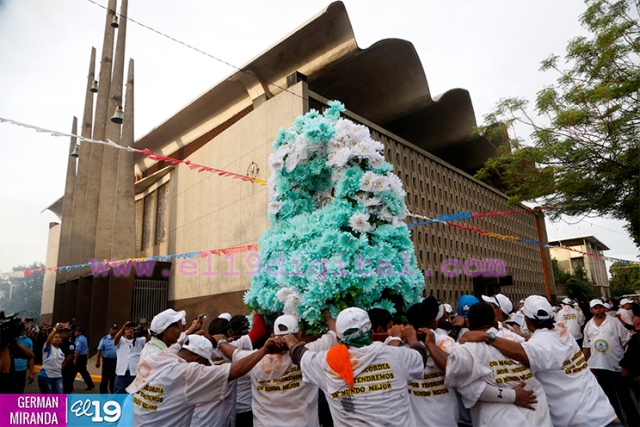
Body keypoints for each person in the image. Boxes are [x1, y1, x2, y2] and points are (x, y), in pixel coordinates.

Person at [461, 295, 619, 427]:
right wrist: (510, 333)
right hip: (604, 414)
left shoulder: (537, 348)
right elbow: (537, 340)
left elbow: (525, 352)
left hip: (581, 421)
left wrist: (487, 336)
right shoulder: (561, 330)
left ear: (527, 320)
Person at [284, 307, 426, 426]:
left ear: (338, 340)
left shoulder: (326, 362)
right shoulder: (397, 355)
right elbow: (421, 357)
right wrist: (413, 339)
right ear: (371, 334)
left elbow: (299, 355)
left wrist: (291, 342)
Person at [127, 334, 280, 426]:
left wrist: (196, 336)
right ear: (197, 359)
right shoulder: (186, 373)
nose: (205, 367)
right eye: (205, 363)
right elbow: (233, 371)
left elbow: (179, 345)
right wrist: (264, 350)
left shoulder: (156, 358)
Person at [442, 302, 552, 426]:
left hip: (500, 419)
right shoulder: (517, 340)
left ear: (468, 324)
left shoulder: (467, 349)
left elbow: (468, 387)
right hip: (537, 414)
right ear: (495, 321)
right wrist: (513, 395)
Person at [219, 313, 337, 427]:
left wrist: (220, 340)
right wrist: (326, 315)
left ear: (272, 336)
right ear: (300, 334)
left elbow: (233, 353)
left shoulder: (255, 358)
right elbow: (334, 334)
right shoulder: (310, 352)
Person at [403, 297, 460, 426]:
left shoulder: (444, 342)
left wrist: (430, 345)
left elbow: (452, 369)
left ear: (409, 325)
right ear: (435, 323)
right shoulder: (446, 341)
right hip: (442, 419)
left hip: (442, 419)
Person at [583, 299, 638, 426]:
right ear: (591, 310)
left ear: (604, 308)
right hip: (600, 367)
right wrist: (582, 363)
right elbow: (586, 347)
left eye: (600, 307)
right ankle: (618, 421)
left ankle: (634, 421)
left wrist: (626, 364)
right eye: (595, 308)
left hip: (617, 365)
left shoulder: (614, 322)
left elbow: (625, 342)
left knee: (625, 396)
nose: (598, 310)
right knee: (609, 398)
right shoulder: (588, 325)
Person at [113, 321, 146, 394]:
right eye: (127, 329)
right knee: (118, 393)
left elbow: (149, 340)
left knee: (135, 394)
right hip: (122, 373)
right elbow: (116, 339)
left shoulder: (140, 340)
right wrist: (123, 327)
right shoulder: (121, 340)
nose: (130, 330)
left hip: (134, 373)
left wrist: (145, 331)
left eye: (132, 328)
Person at [38, 322, 66, 394]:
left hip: (58, 376)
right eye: (56, 337)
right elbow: (49, 340)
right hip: (46, 376)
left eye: (59, 337)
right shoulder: (48, 348)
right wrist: (55, 328)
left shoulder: (60, 351)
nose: (58, 339)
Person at [96, 324, 118, 393]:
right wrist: (98, 361)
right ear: (110, 330)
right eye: (113, 329)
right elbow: (99, 350)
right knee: (105, 379)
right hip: (107, 362)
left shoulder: (120, 339)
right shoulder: (104, 339)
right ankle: (103, 394)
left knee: (114, 379)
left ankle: (113, 393)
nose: (114, 331)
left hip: (116, 361)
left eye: (115, 329)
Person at [13, 320, 35, 393]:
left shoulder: (28, 341)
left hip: (22, 370)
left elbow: (31, 357)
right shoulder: (9, 338)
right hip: (9, 370)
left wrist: (32, 372)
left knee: (19, 392)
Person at [59, 327, 77, 393]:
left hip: (68, 367)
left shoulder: (70, 343)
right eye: (62, 333)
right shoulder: (59, 343)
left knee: (67, 386)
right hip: (59, 366)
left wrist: (64, 365)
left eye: (65, 333)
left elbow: (70, 355)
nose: (63, 335)